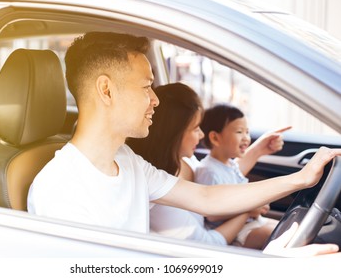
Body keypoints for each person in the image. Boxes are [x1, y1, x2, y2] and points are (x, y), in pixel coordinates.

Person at [27, 31, 341, 256]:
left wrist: (302, 178)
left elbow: (206, 197)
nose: (154, 100)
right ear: (106, 90)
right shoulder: (59, 190)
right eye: (147, 87)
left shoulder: (126, 161)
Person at [127, 83, 257, 246]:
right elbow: (207, 244)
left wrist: (258, 151)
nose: (201, 135)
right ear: (174, 133)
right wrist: (247, 211)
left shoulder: (185, 160)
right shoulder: (159, 195)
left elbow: (222, 176)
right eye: (196, 129)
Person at [195, 104, 280, 249]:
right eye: (239, 132)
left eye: (247, 132)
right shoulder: (209, 171)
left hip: (249, 222)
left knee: (286, 226)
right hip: (234, 231)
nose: (246, 138)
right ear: (215, 138)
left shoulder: (230, 164)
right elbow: (211, 214)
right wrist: (249, 208)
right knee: (276, 235)